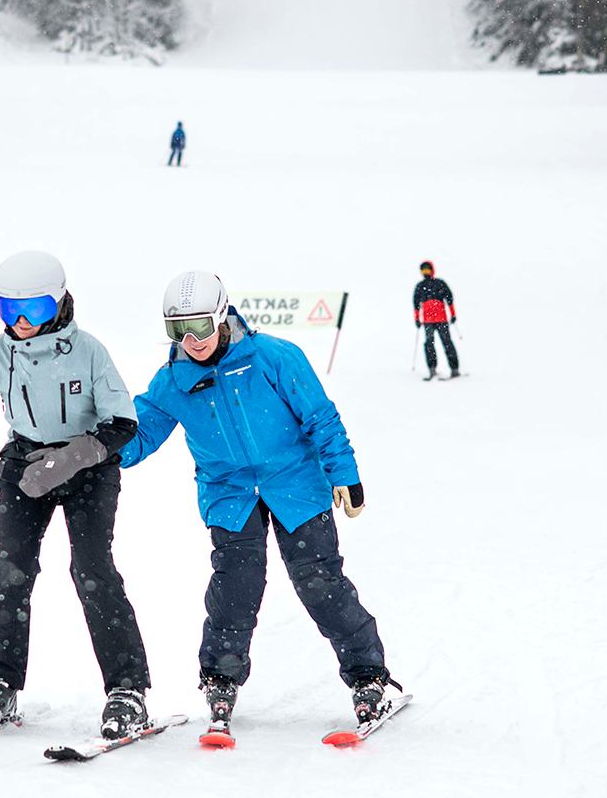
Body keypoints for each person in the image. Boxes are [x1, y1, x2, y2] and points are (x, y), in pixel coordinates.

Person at [119, 270, 401, 739]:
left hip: (295, 484)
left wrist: (344, 475)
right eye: (177, 330)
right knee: (236, 586)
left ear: (222, 316)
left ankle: (370, 677)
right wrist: (97, 449)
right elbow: (140, 435)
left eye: (201, 328)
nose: (192, 341)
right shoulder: (172, 380)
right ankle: (221, 680)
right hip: (230, 494)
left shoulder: (274, 357)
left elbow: (321, 418)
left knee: (319, 581)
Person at [0, 251, 151, 738]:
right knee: (10, 570)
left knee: (92, 570)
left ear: (61, 303)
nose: (22, 323)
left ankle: (128, 690)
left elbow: (124, 423)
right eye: (9, 311)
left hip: (89, 470)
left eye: (36, 310)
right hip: (24, 469)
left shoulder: (89, 351)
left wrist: (71, 458)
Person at [414, 260, 459, 380]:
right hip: (428, 321)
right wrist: (417, 319)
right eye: (423, 270)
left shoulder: (440, 283)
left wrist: (453, 314)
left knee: (446, 342)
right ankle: (432, 369)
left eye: (427, 269)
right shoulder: (420, 286)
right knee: (429, 344)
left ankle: (454, 369)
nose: (426, 272)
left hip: (441, 319)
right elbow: (416, 303)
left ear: (432, 270)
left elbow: (449, 299)